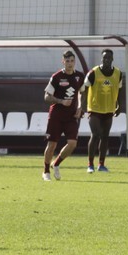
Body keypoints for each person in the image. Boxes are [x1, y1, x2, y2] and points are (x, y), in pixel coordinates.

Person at [41, 50, 85, 180]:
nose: (70, 64)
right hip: (56, 116)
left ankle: (56, 163)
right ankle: (46, 171)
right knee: (52, 145)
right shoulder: (57, 77)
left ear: (74, 62)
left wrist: (80, 107)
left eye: (72, 61)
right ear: (63, 61)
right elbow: (46, 96)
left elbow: (82, 92)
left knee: (72, 143)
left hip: (71, 117)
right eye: (67, 61)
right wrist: (61, 101)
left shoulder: (80, 76)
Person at [79, 49, 124, 173]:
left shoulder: (118, 74)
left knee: (105, 136)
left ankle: (101, 164)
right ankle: (90, 165)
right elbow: (84, 89)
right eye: (105, 58)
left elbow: (120, 90)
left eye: (109, 58)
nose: (107, 60)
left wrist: (120, 105)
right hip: (94, 108)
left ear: (112, 59)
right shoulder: (93, 73)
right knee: (95, 134)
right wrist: (82, 105)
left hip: (109, 109)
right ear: (101, 59)